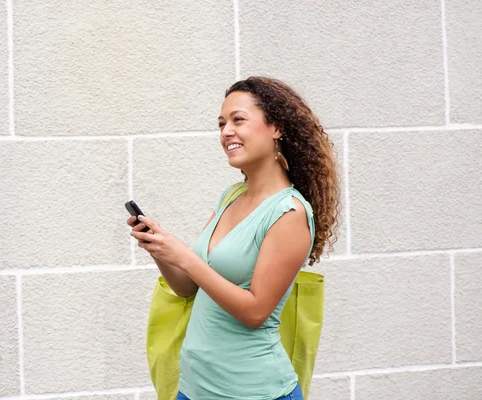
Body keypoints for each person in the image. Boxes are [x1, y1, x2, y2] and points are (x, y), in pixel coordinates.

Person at [128, 76, 340, 400]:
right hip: (194, 389)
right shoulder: (232, 195)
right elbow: (187, 287)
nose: (226, 131)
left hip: (253, 392)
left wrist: (184, 256)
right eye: (221, 123)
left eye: (238, 120)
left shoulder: (290, 213)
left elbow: (256, 313)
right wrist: (161, 249)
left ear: (277, 128)